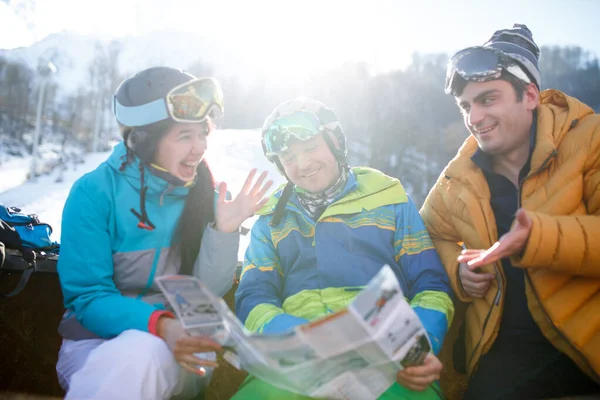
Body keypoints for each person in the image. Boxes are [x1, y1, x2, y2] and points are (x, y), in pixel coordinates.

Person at [55, 66, 272, 400]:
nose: (199, 148)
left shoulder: (202, 193)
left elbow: (204, 293)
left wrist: (224, 232)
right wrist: (159, 324)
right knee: (140, 352)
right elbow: (88, 298)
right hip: (93, 346)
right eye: (184, 136)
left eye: (202, 133)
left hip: (180, 348)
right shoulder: (94, 193)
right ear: (144, 140)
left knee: (145, 352)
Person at [420, 24, 600, 399]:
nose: (475, 117)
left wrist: (539, 238)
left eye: (488, 99)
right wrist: (458, 268)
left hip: (590, 339)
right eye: (466, 106)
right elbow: (427, 234)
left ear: (530, 95)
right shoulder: (459, 176)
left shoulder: (591, 141)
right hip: (506, 350)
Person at [233, 97, 454, 399]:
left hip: (387, 355)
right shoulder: (271, 219)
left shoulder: (387, 197)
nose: (303, 164)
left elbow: (430, 283)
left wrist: (419, 344)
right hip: (299, 362)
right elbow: (253, 296)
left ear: (335, 143)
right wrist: (297, 337)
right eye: (288, 158)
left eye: (311, 148)